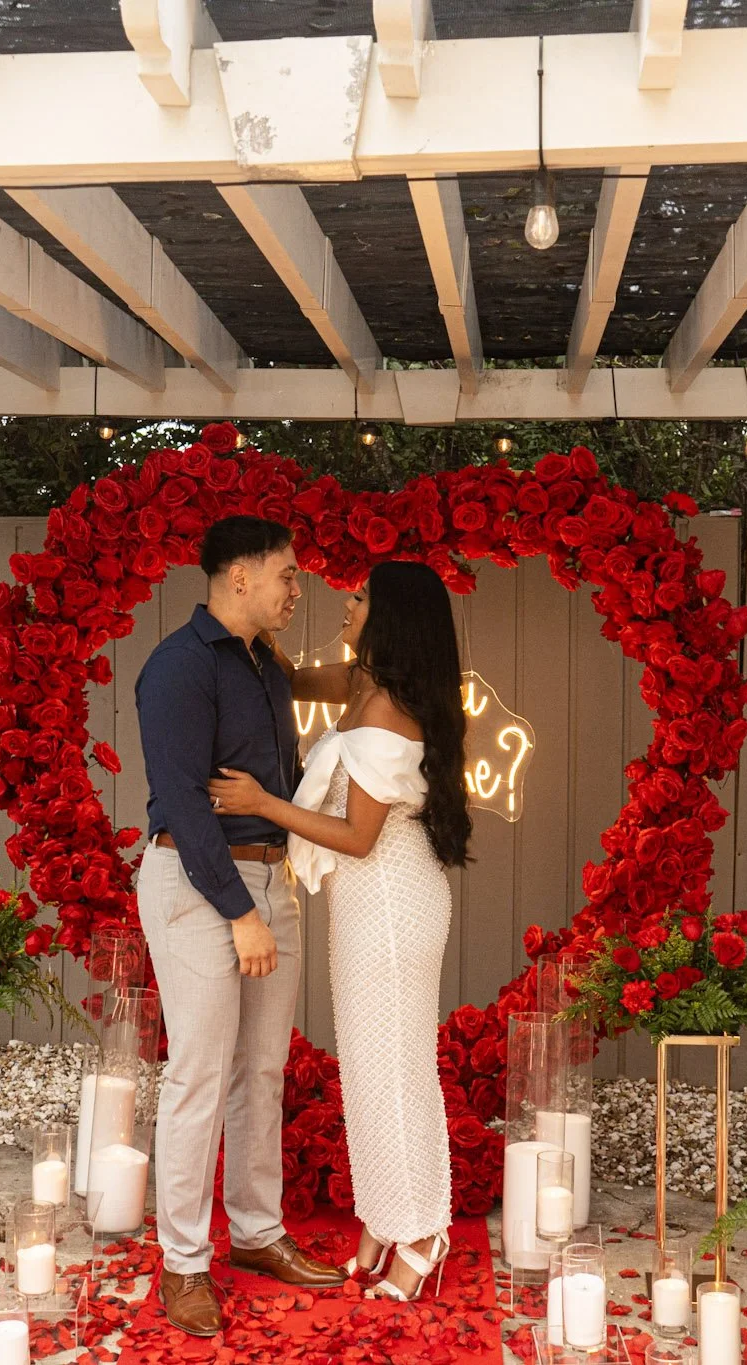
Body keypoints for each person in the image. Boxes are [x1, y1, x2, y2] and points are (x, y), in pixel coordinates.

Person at [208, 560, 472, 1302]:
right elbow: (291, 678)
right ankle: (387, 1215)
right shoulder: (364, 684)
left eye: (358, 598)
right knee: (368, 1067)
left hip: (390, 898)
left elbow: (358, 837)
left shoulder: (388, 711)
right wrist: (260, 611)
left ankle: (423, 1229)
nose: (343, 606)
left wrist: (262, 801)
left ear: (390, 616)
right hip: (366, 902)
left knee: (394, 1068)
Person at [133, 515, 346, 1339]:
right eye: (287, 574)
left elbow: (277, 781)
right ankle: (183, 1261)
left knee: (261, 1069)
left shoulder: (266, 668)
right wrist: (241, 911)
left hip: (269, 874)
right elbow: (185, 805)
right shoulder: (179, 666)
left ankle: (256, 1231)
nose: (298, 588)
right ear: (240, 576)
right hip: (200, 880)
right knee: (198, 1071)